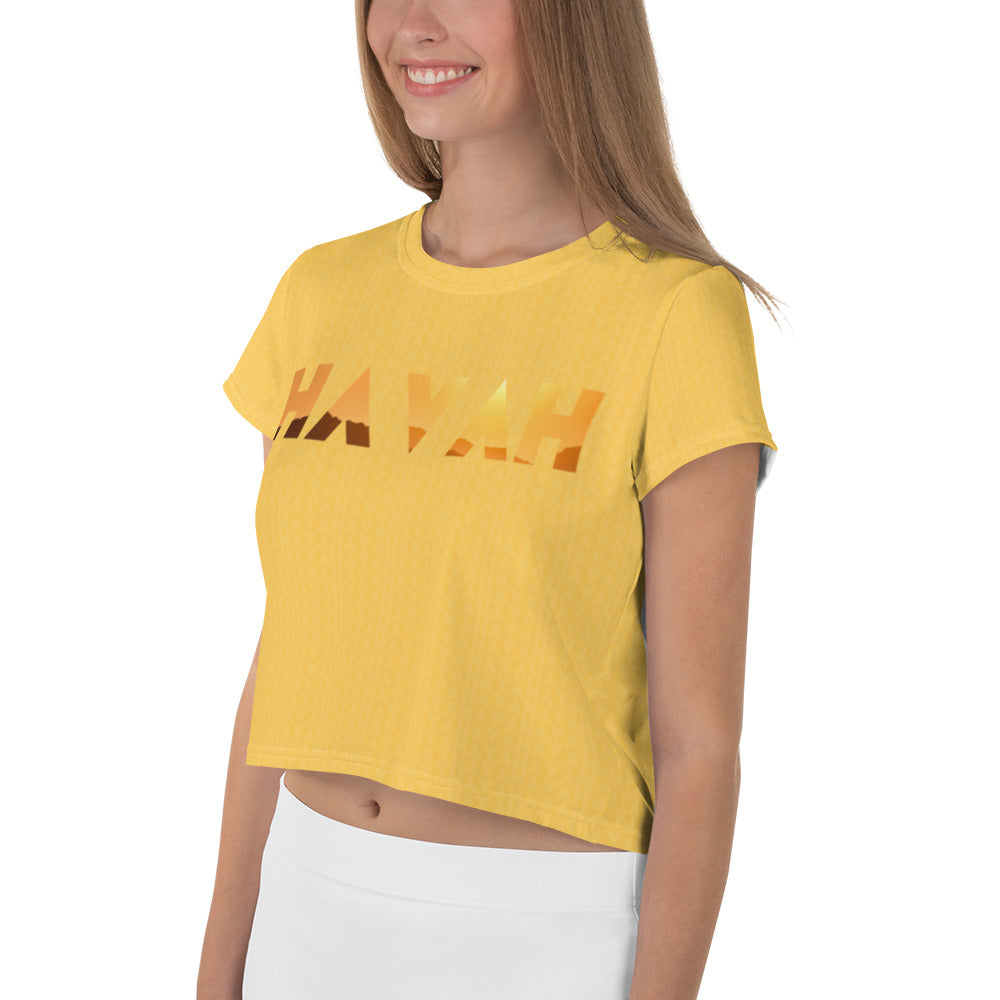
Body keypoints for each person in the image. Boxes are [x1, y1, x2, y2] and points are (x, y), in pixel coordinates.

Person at [197, 1, 782, 997]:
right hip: (305, 907)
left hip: (538, 939)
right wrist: (219, 970)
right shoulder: (321, 292)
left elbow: (699, 747)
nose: (413, 23)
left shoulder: (674, 313)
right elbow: (288, 650)